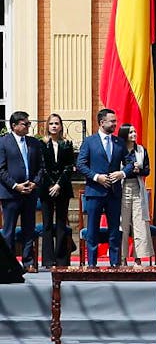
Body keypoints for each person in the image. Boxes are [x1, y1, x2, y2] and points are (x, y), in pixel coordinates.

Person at [76, 108, 133, 268]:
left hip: (114, 193)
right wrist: (96, 177)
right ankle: (92, 264)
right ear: (102, 122)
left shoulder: (119, 142)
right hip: (95, 191)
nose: (115, 124)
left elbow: (130, 162)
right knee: (92, 230)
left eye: (115, 121)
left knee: (114, 230)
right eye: (112, 121)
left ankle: (115, 263)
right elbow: (80, 164)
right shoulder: (89, 142)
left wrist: (121, 173)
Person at [0, 111, 44, 273]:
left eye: (28, 123)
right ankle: (8, 265)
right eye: (25, 124)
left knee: (29, 229)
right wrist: (15, 186)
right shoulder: (3, 142)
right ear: (14, 125)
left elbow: (41, 167)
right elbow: (1, 169)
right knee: (9, 231)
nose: (28, 126)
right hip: (10, 194)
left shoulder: (34, 143)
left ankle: (28, 262)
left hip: (30, 193)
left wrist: (34, 183)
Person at [39, 113, 75, 268]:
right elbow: (41, 166)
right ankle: (48, 260)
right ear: (47, 126)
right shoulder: (41, 144)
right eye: (51, 123)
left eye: (57, 123)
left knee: (61, 223)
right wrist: (50, 184)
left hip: (63, 188)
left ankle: (61, 259)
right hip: (46, 188)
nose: (54, 126)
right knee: (47, 224)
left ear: (61, 126)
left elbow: (69, 167)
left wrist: (59, 184)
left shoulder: (67, 144)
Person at [118, 123, 154, 266]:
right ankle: (122, 258)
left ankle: (138, 258)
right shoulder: (119, 150)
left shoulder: (141, 150)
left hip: (137, 186)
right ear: (124, 134)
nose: (134, 134)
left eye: (134, 132)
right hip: (122, 187)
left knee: (140, 223)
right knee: (123, 223)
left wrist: (140, 170)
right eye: (130, 132)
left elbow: (147, 170)